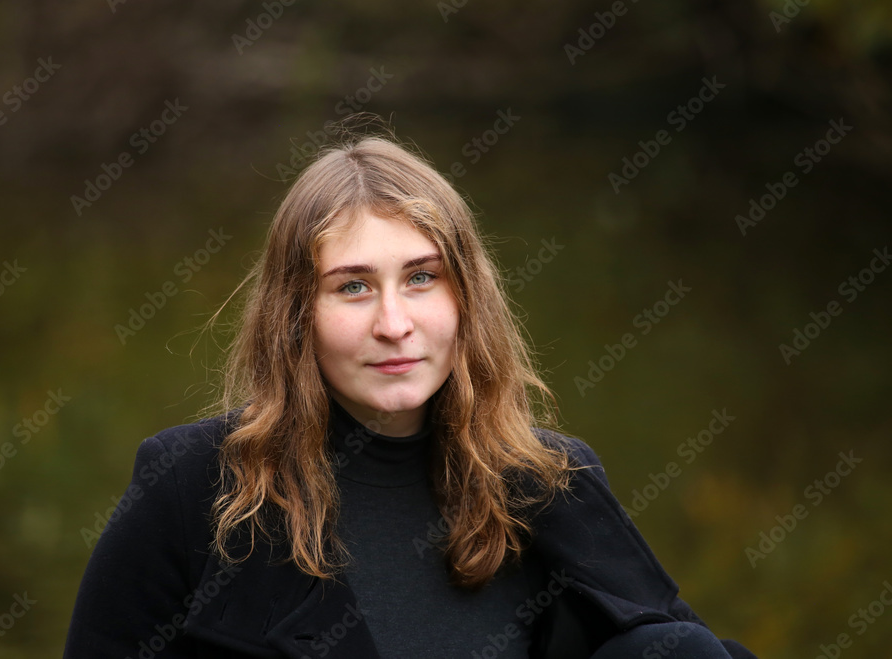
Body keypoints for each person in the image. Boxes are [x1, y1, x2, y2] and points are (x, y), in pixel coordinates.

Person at [63, 127, 757, 658]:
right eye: (353, 286)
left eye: (422, 277)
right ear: (296, 312)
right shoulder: (195, 488)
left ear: (467, 298)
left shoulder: (550, 482)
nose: (395, 324)